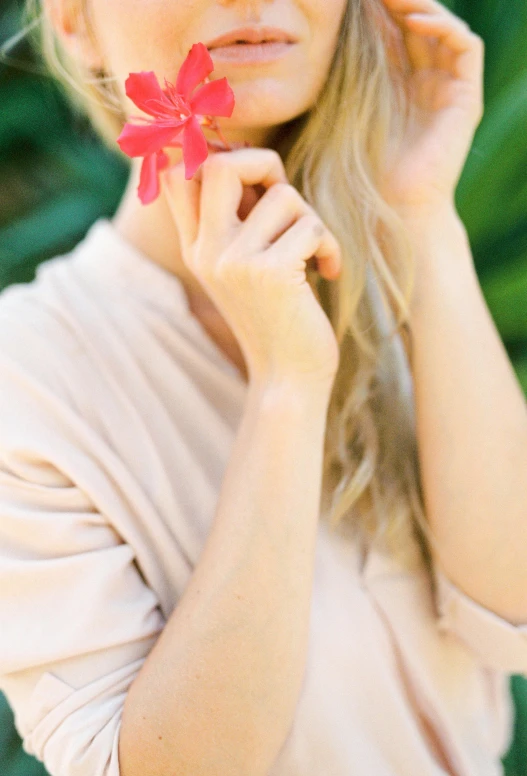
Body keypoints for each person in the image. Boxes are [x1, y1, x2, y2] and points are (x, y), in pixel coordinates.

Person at [0, 0, 526, 774]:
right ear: (75, 24)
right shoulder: (29, 375)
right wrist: (287, 382)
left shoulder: (389, 283)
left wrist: (424, 214)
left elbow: (510, 605)